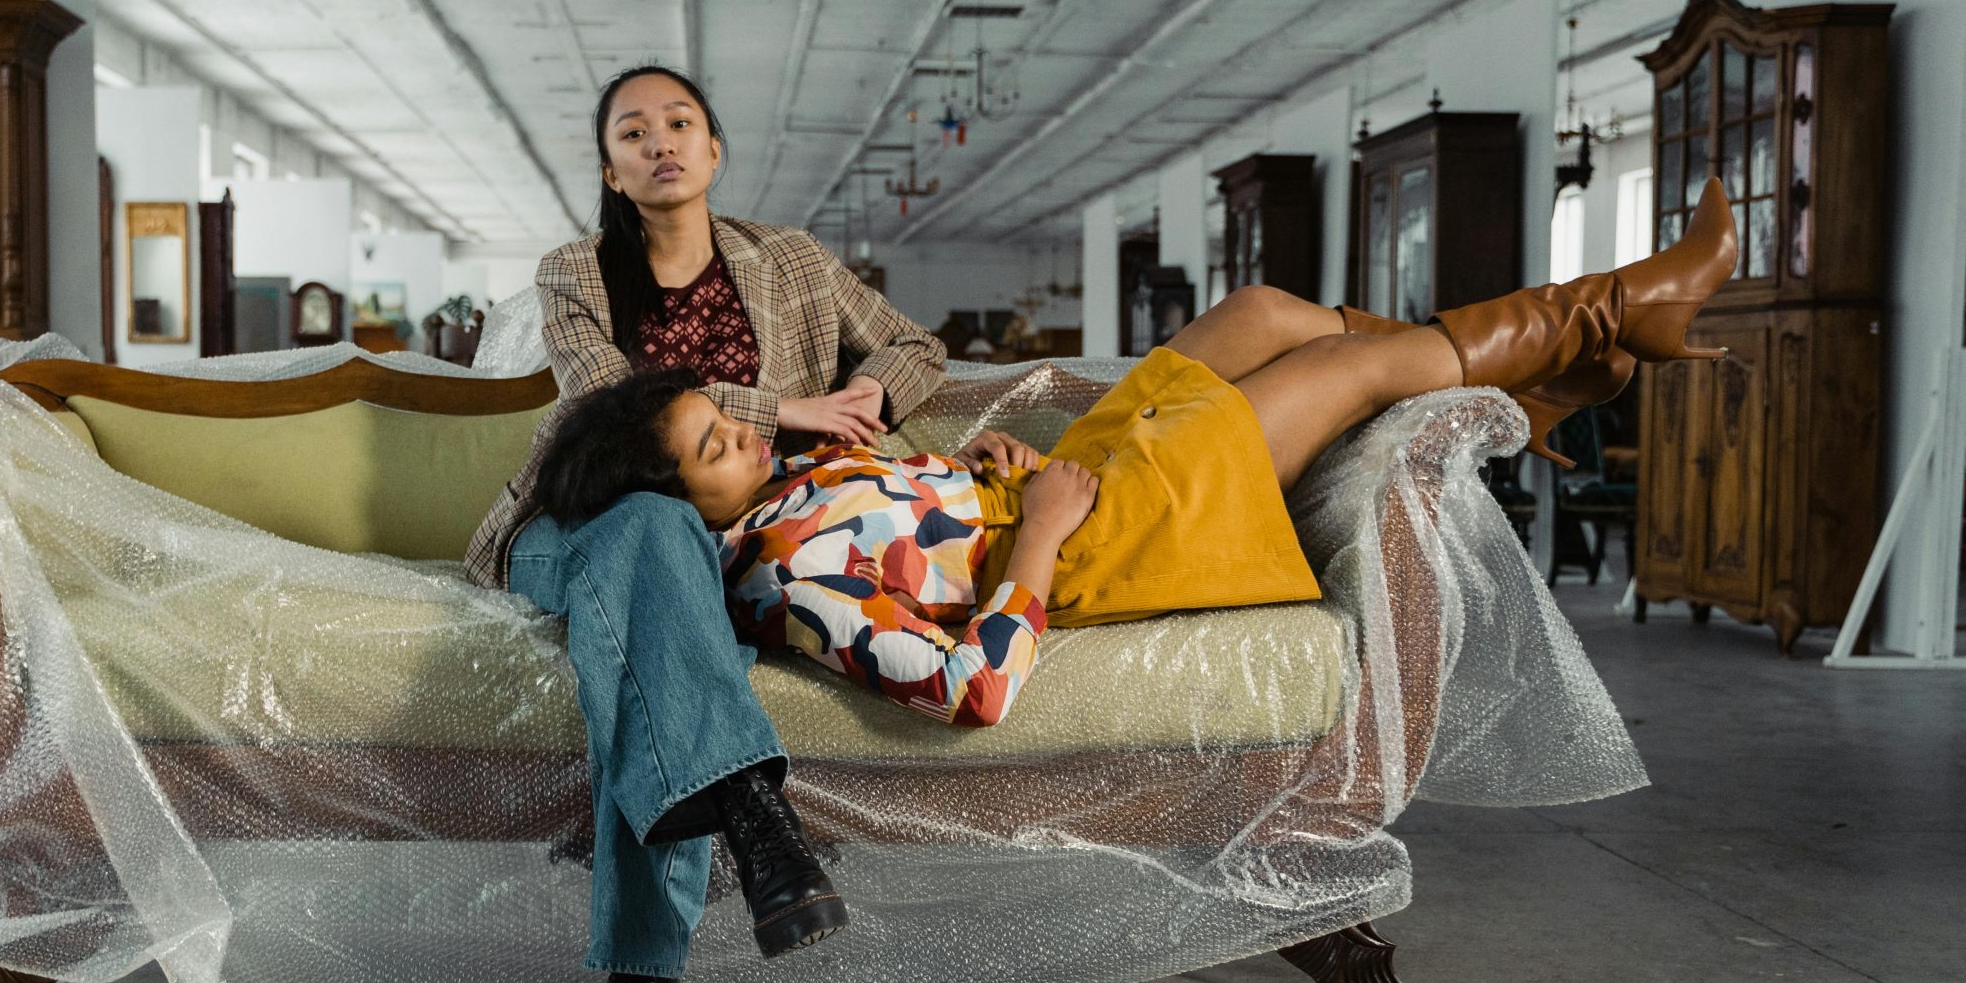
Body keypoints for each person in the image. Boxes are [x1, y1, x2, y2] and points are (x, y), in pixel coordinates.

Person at [532, 181, 1742, 731]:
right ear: (673, 506)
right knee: (1337, 371)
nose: (747, 425)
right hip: (1107, 545)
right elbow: (970, 692)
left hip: (1059, 486)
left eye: (720, 413)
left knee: (1263, 311)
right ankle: (1615, 310)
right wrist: (1042, 533)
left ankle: (1550, 376)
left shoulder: (787, 485)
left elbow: (921, 513)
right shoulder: (785, 587)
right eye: (713, 444)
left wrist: (990, 472)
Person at [462, 64, 947, 983]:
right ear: (611, 170)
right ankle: (748, 830)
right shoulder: (575, 273)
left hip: (737, 546)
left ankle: (652, 975)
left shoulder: (795, 263)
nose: (659, 142)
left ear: (715, 151)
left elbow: (919, 349)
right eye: (632, 133)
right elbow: (618, 396)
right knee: (648, 531)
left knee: (661, 625)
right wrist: (788, 410)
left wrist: (868, 392)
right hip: (582, 525)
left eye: (679, 123)